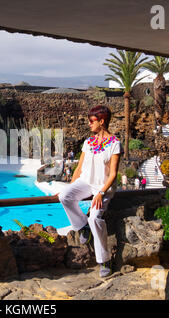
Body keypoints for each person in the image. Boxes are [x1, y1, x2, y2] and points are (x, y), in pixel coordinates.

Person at [53, 105, 121, 278]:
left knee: (95, 217)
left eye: (92, 121)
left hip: (102, 187)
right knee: (64, 196)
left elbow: (113, 174)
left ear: (102, 121)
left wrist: (101, 193)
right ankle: (82, 226)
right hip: (85, 183)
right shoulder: (88, 142)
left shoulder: (114, 144)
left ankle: (104, 260)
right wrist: (67, 187)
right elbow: (79, 168)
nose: (89, 124)